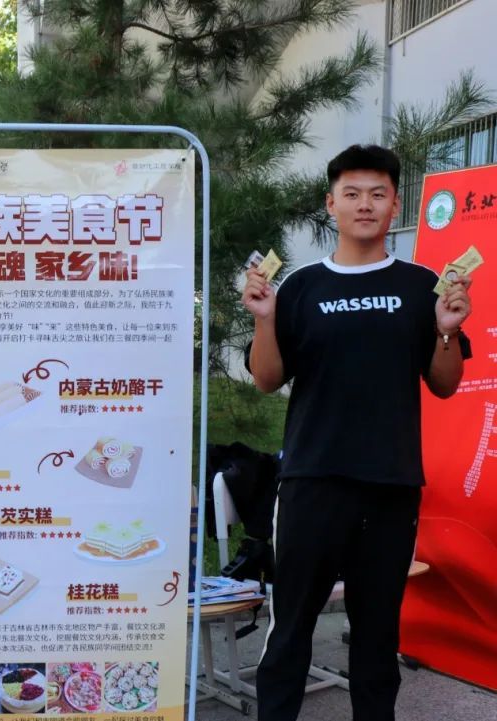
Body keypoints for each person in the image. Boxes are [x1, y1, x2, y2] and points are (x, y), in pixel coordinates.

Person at [243, 144, 472, 721]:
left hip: (391, 486)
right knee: (290, 630)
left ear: (395, 205)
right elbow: (266, 379)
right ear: (332, 204)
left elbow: (445, 384)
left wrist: (447, 331)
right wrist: (265, 320)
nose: (364, 204)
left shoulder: (422, 286)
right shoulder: (300, 286)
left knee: (376, 638)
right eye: (351, 194)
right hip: (311, 482)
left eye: (377, 194)